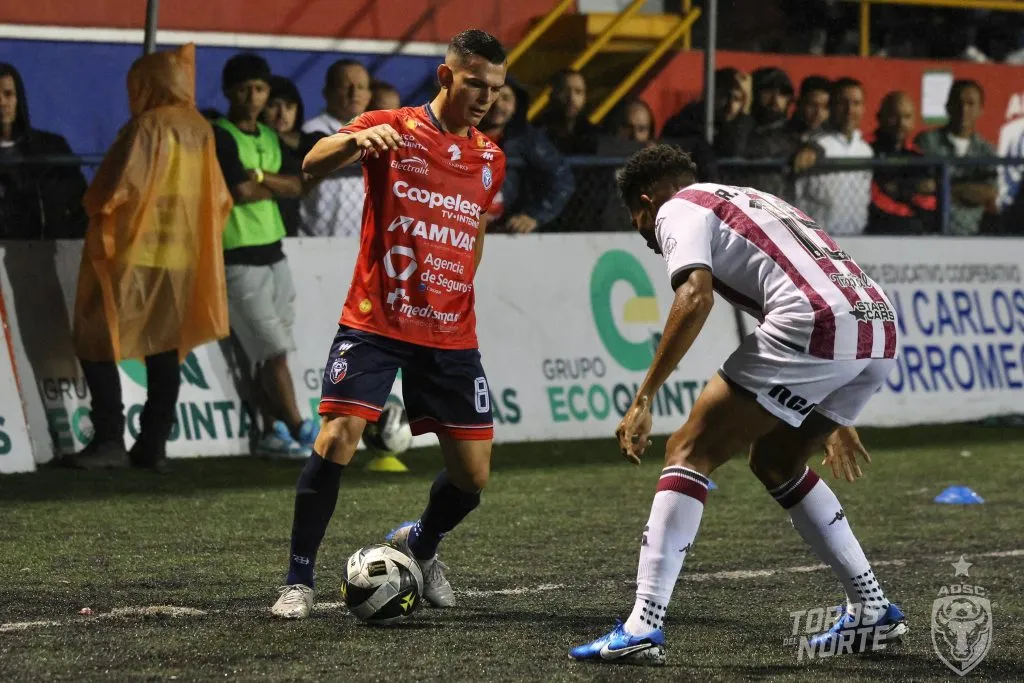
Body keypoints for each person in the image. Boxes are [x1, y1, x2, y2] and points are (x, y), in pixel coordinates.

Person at [570, 144, 906, 664]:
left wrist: (644, 398)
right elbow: (791, 274)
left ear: (645, 201)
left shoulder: (676, 209)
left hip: (816, 324)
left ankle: (643, 625)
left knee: (687, 450)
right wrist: (832, 392)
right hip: (877, 325)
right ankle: (871, 608)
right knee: (775, 460)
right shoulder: (748, 197)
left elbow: (695, 297)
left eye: (636, 218)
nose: (644, 233)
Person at [270, 29, 507, 619]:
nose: (486, 97)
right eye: (475, 83)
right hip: (376, 320)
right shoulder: (392, 126)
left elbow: (474, 234)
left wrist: (452, 282)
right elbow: (310, 163)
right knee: (337, 437)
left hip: (450, 333)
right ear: (446, 77)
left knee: (472, 479)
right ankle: (298, 581)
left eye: (496, 89)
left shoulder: (490, 158)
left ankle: (419, 546)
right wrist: (353, 142)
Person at [66, 44, 232, 470]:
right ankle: (153, 444)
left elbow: (114, 189)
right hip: (180, 259)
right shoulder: (200, 128)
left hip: (132, 256)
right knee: (163, 348)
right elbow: (219, 199)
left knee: (96, 337)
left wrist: (91, 204)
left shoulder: (146, 127)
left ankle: (108, 439)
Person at [212, 53, 316, 458]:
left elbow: (300, 185)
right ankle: (299, 425)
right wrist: (271, 184)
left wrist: (258, 178)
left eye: (259, 89)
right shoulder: (219, 135)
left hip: (274, 254)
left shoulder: (270, 138)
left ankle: (271, 431)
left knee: (264, 353)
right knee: (272, 351)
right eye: (244, 89)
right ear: (227, 91)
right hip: (238, 256)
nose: (253, 97)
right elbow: (239, 192)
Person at [0, 62, 87, 239]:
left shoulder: (51, 148)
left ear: (18, 99)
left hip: (44, 252)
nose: (1, 102)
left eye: (8, 94)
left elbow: (79, 202)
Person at [478, 78, 573, 234]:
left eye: (506, 98)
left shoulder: (527, 138)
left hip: (506, 233)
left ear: (516, 105)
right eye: (492, 97)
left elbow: (563, 178)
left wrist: (533, 216)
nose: (498, 104)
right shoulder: (456, 132)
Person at [914, 79, 997, 235]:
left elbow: (989, 193)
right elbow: (921, 186)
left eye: (970, 104)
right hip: (928, 234)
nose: (964, 109)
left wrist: (943, 189)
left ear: (980, 110)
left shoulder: (986, 151)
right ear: (947, 106)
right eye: (958, 103)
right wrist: (965, 190)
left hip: (971, 235)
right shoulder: (927, 141)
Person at [299, 59, 371, 237]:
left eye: (361, 87)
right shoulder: (312, 132)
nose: (354, 93)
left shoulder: (375, 131)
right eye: (346, 86)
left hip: (362, 238)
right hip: (316, 240)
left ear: (369, 95)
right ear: (327, 93)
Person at [796, 77, 873, 235]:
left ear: (864, 108)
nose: (850, 110)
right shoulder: (812, 145)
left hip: (860, 241)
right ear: (831, 107)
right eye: (843, 103)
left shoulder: (866, 151)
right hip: (816, 241)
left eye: (856, 103)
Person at [260, 75, 325, 236]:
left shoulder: (312, 141)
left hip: (305, 230)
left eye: (289, 106)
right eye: (273, 106)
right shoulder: (256, 143)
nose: (282, 114)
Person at [868, 91, 937, 235]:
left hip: (915, 228)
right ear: (879, 117)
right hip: (876, 230)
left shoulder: (919, 156)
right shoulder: (865, 150)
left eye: (907, 117)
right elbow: (872, 195)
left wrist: (901, 189)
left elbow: (929, 198)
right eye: (894, 116)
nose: (901, 123)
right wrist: (912, 192)